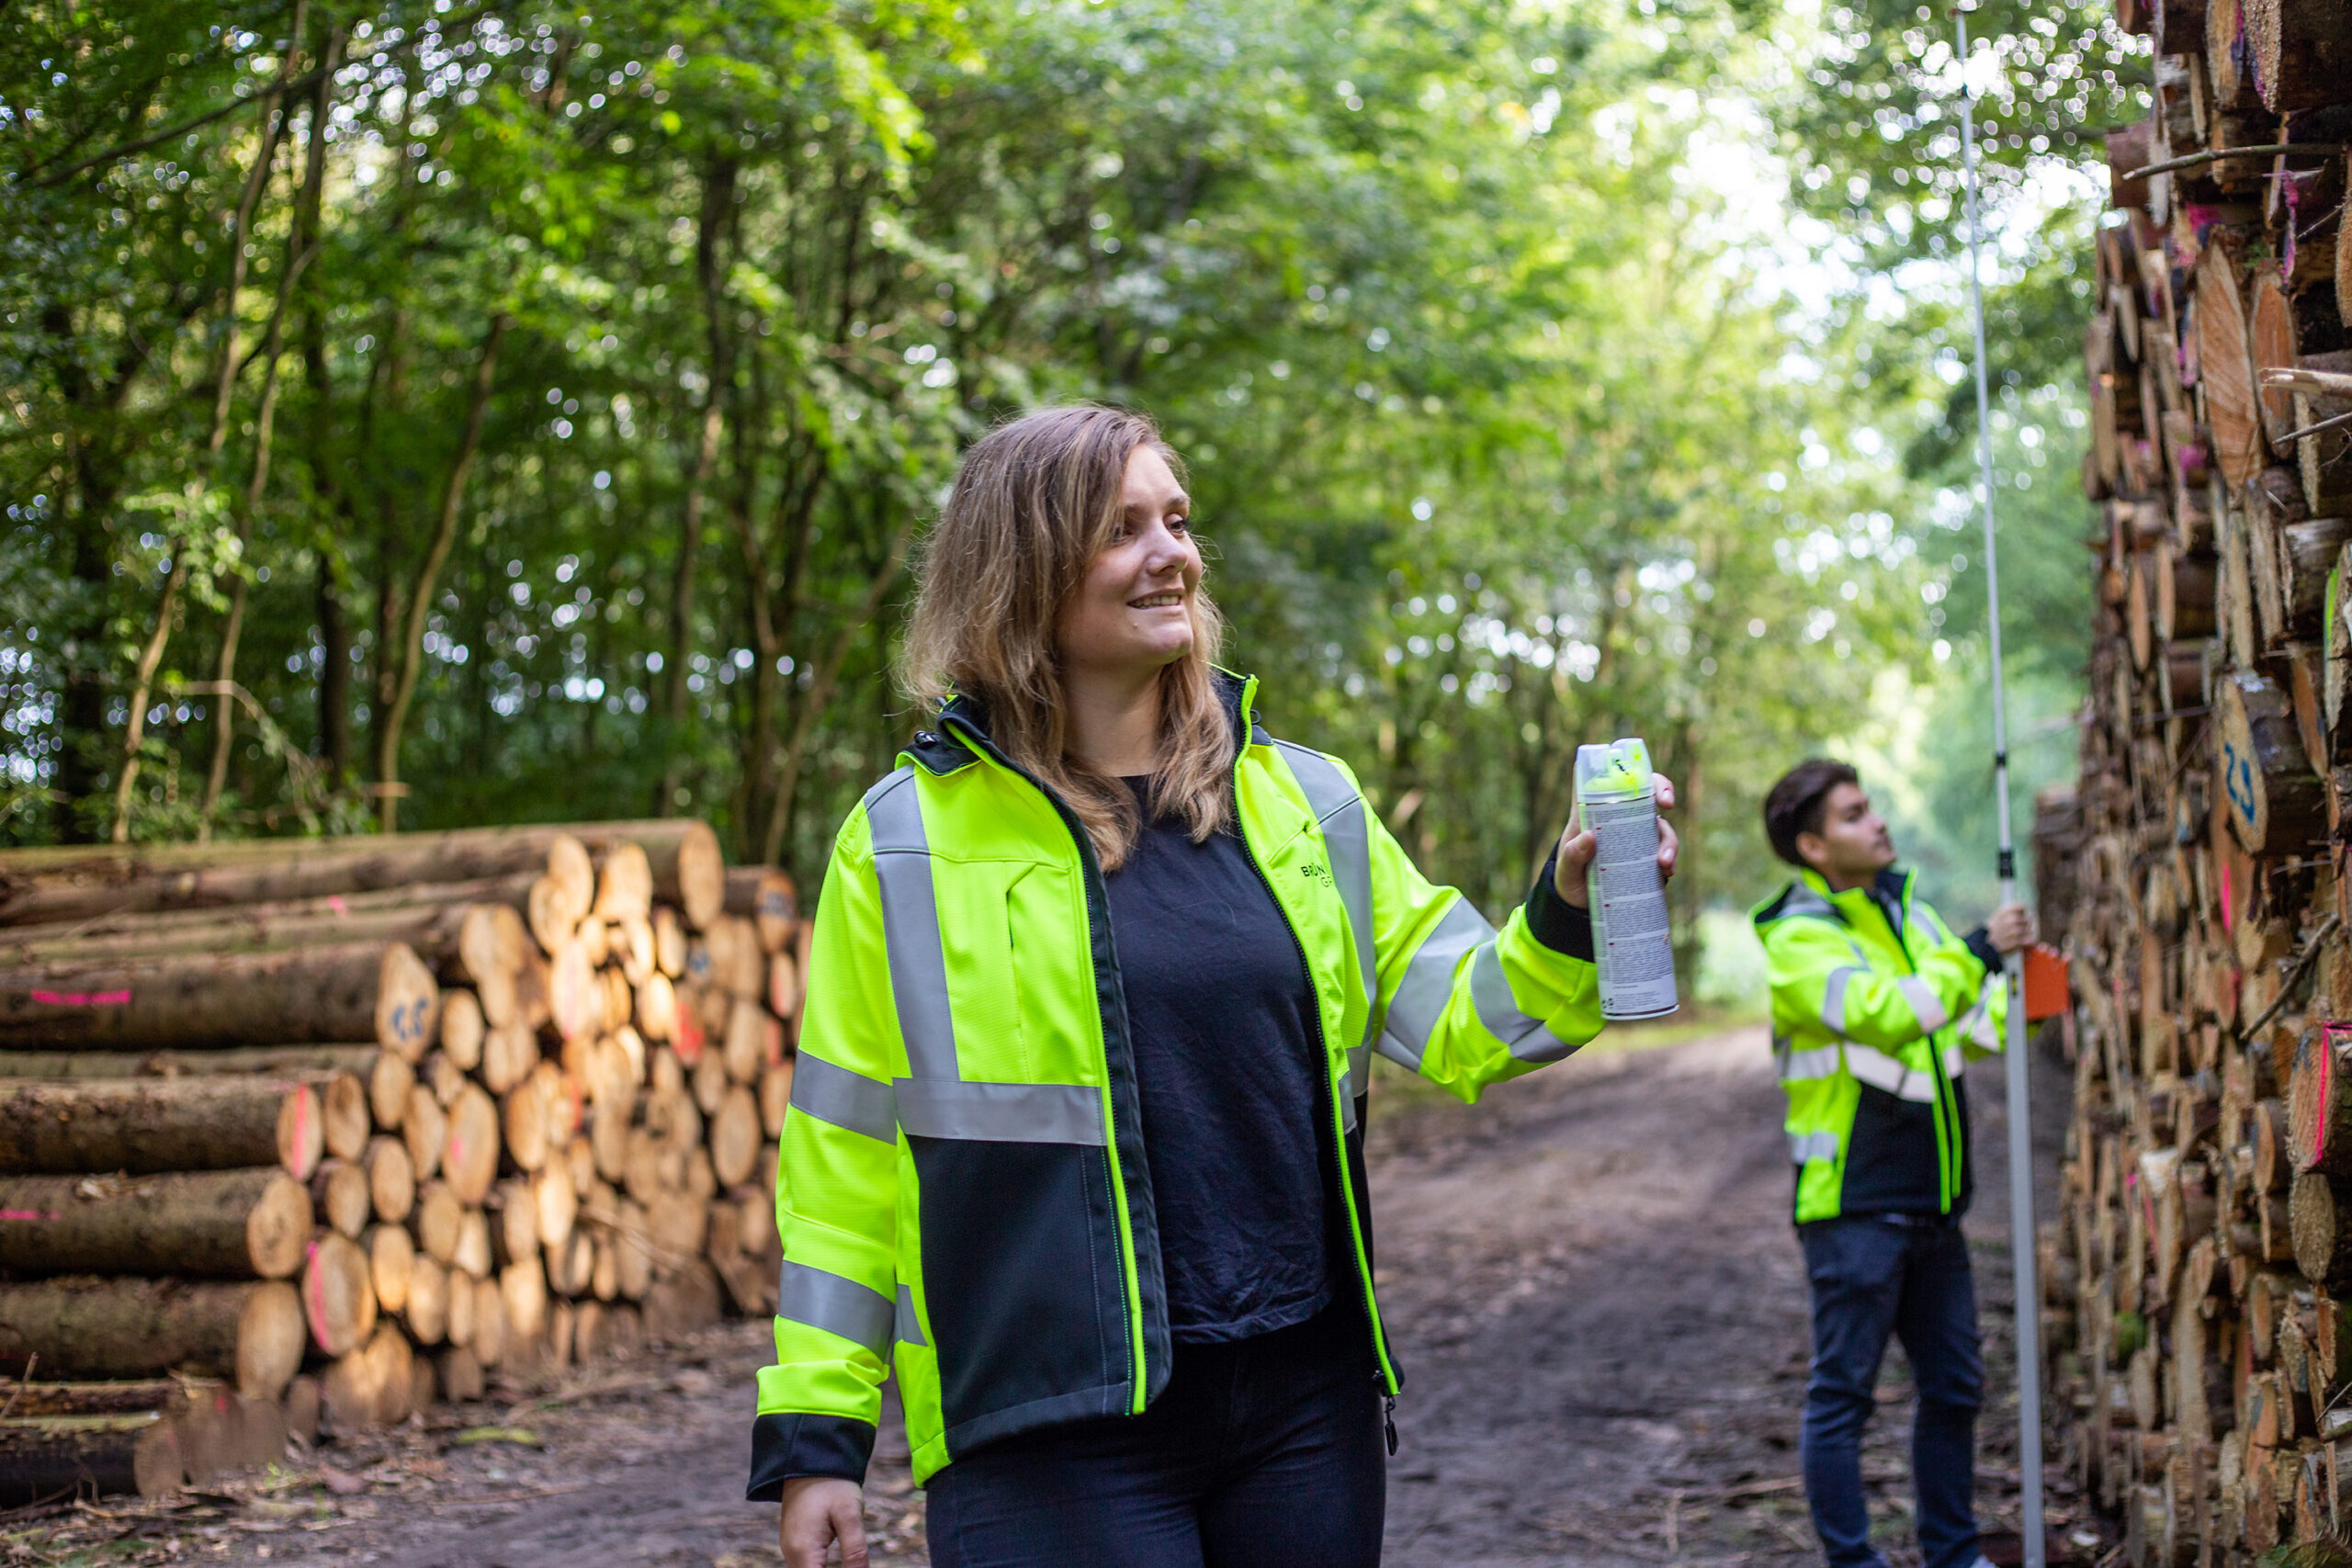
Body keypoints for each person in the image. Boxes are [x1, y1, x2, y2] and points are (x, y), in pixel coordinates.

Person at [747, 402, 1679, 1568]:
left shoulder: (1302, 800)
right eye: (1121, 527)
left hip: (1303, 1405)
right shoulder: (901, 845)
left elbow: (1474, 1017)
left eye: (1176, 522)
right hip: (1048, 1423)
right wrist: (818, 1435)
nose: (1170, 553)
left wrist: (1571, 906)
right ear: (1024, 570)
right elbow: (842, 1164)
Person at [1752, 760, 2033, 1568]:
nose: (1876, 822)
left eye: (1870, 807)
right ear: (1812, 845)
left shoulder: (1909, 915)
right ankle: (1856, 1563)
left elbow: (1975, 1025)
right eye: (1852, 814)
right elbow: (1889, 1015)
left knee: (1954, 1388)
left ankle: (1953, 1554)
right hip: (1854, 1208)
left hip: (1936, 1204)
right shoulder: (1799, 938)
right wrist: (1979, 950)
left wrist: (2029, 988)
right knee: (1841, 1400)